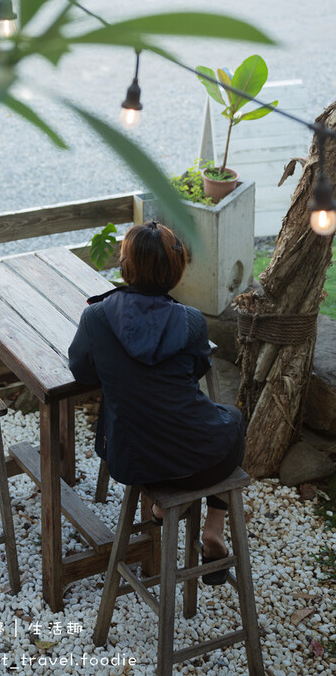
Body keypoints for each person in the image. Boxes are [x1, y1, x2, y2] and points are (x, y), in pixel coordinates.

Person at [68, 220, 245, 584]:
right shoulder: (191, 322)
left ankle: (166, 508)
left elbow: (82, 371)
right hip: (198, 457)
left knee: (216, 422)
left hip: (133, 461)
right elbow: (196, 370)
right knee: (234, 419)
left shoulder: (96, 317)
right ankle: (213, 526)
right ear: (175, 271)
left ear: (126, 266)